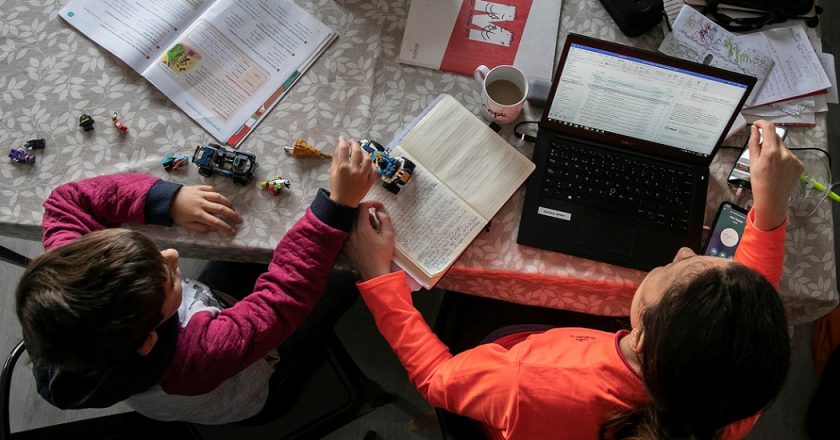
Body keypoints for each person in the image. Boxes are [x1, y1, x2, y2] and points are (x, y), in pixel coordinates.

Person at [345, 120, 804, 440]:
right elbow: (742, 305)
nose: (685, 251)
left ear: (642, 326)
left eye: (673, 270)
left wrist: (378, 278)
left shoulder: (528, 382)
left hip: (516, 384)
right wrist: (771, 208)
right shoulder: (733, 400)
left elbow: (437, 378)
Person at [15, 137, 377, 424]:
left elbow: (66, 203)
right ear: (148, 339)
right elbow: (283, 296)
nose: (173, 256)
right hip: (257, 388)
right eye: (170, 279)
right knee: (341, 282)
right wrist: (336, 206)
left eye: (156, 253)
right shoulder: (203, 354)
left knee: (248, 260)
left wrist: (167, 199)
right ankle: (294, 379)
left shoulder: (69, 271)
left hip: (188, 343)